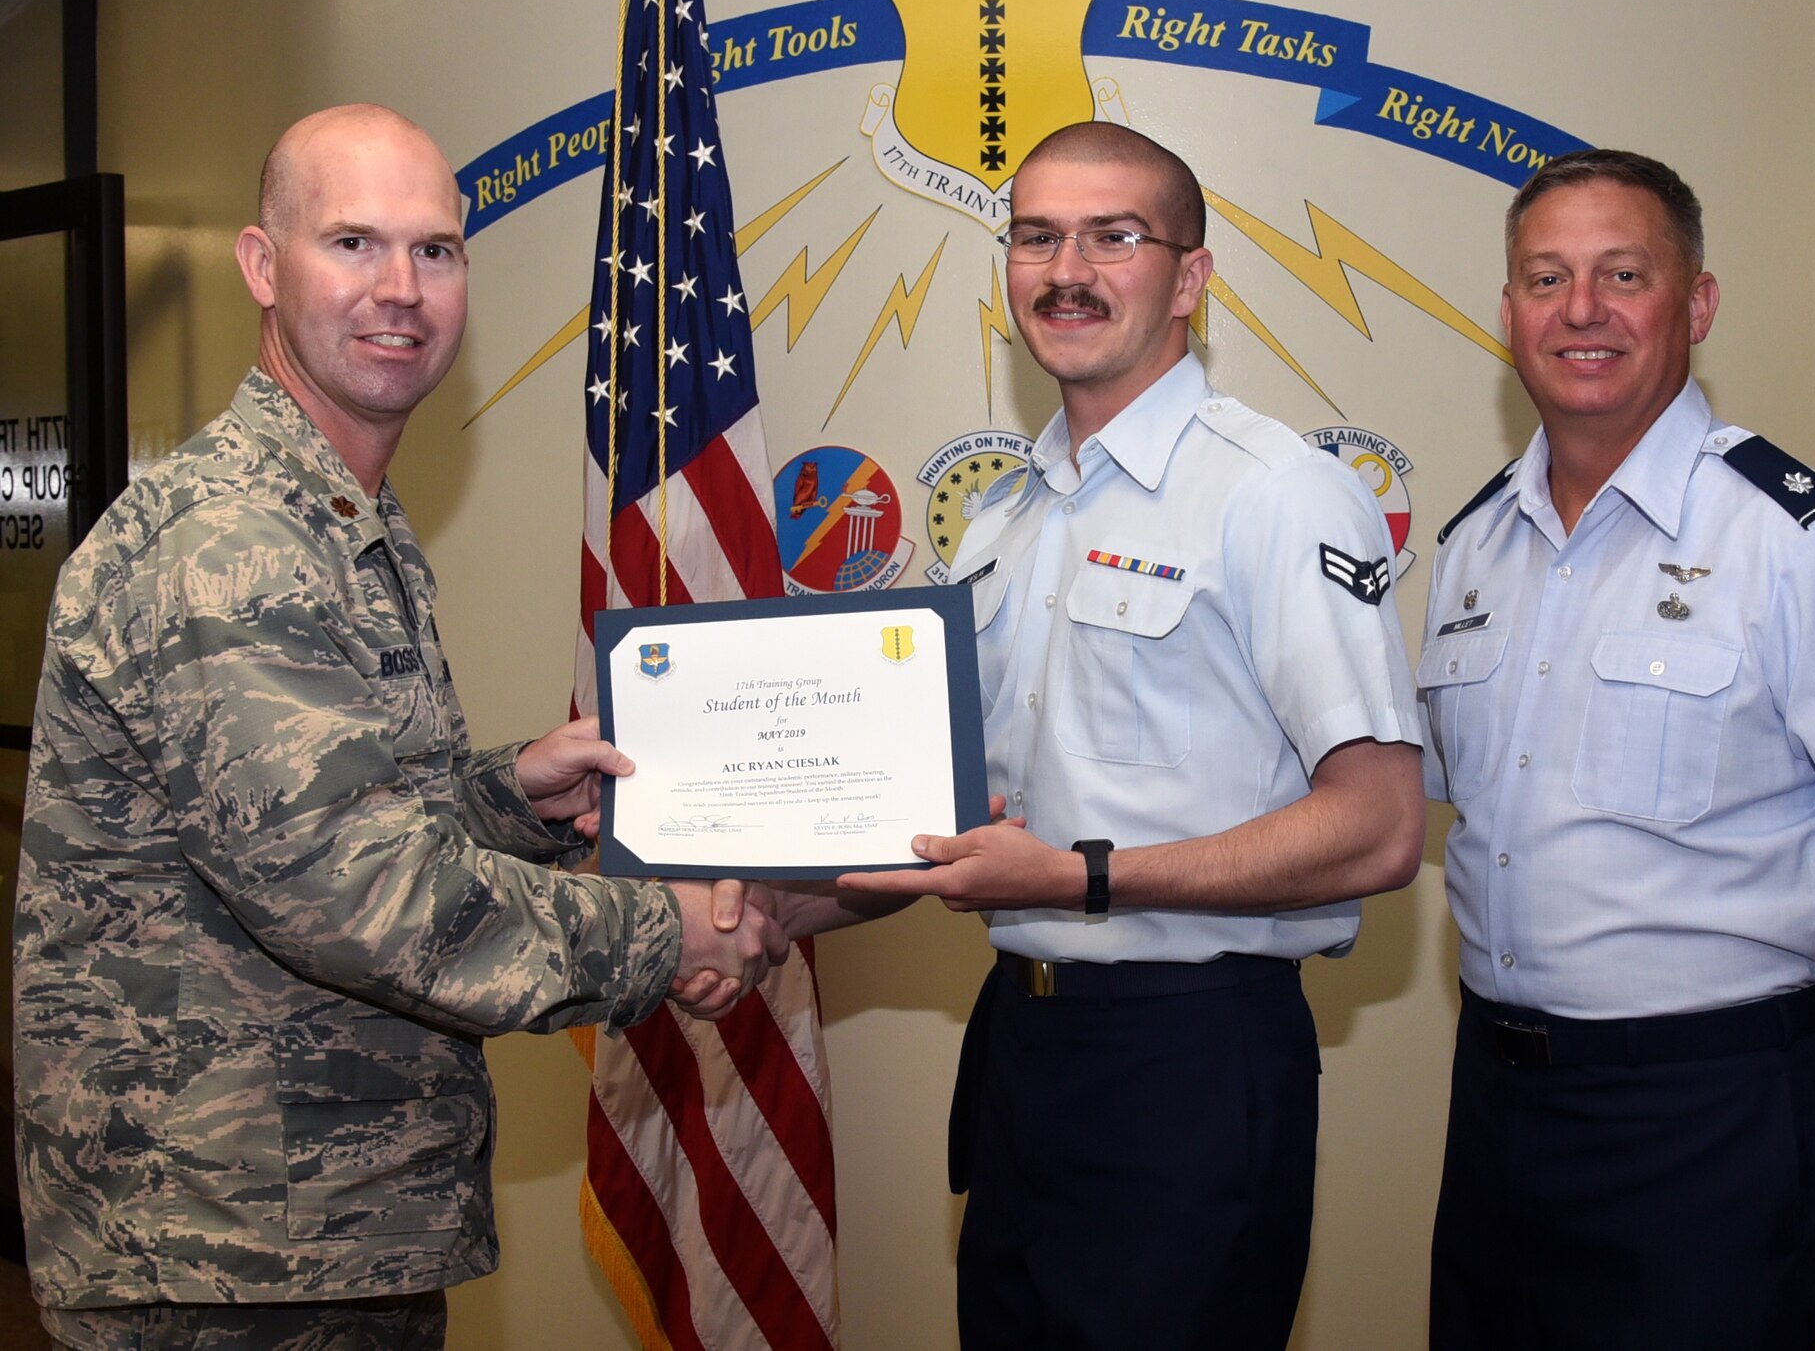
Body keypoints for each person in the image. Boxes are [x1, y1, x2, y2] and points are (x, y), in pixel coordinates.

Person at [11, 104, 787, 1351]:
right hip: (223, 1252)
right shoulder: (234, 541)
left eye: (435, 251)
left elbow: (321, 818)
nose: (400, 290)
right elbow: (352, 892)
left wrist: (502, 798)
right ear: (264, 268)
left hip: (308, 1229)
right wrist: (667, 927)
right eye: (353, 243)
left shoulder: (334, 515)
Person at [838, 121, 1427, 1351]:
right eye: (1036, 236)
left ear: (1190, 279)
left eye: (1114, 236)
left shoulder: (1273, 491)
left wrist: (1079, 876)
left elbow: (1375, 826)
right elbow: (962, 823)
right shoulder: (1004, 519)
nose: (1068, 269)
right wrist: (748, 914)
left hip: (1191, 1063)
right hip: (1021, 1054)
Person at [1420, 148, 1815, 1350]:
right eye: (1543, 277)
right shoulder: (1474, 545)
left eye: (1620, 273)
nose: (1578, 310)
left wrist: (1809, 1082)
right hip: (1497, 1103)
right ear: (1508, 310)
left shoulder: (1797, 541)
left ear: (1695, 304)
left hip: (1708, 1114)